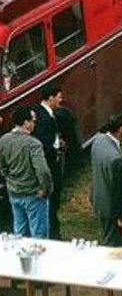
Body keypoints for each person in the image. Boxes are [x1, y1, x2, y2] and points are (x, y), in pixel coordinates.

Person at [0, 106, 52, 238]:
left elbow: (2, 166)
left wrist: (9, 181)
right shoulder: (33, 144)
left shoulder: (3, 140)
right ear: (25, 122)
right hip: (33, 194)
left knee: (19, 233)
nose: (35, 123)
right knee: (39, 235)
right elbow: (43, 170)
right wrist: (46, 188)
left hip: (14, 193)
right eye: (33, 121)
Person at [32, 85, 66, 239]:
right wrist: (56, 149)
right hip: (50, 164)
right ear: (50, 98)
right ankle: (53, 233)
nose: (61, 100)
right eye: (58, 97)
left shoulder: (39, 111)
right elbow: (45, 144)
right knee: (53, 201)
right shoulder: (45, 119)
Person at [91, 114, 122, 245]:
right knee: (112, 240)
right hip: (110, 206)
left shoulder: (98, 140)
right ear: (121, 129)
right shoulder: (115, 159)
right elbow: (117, 187)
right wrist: (121, 215)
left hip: (98, 197)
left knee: (107, 233)